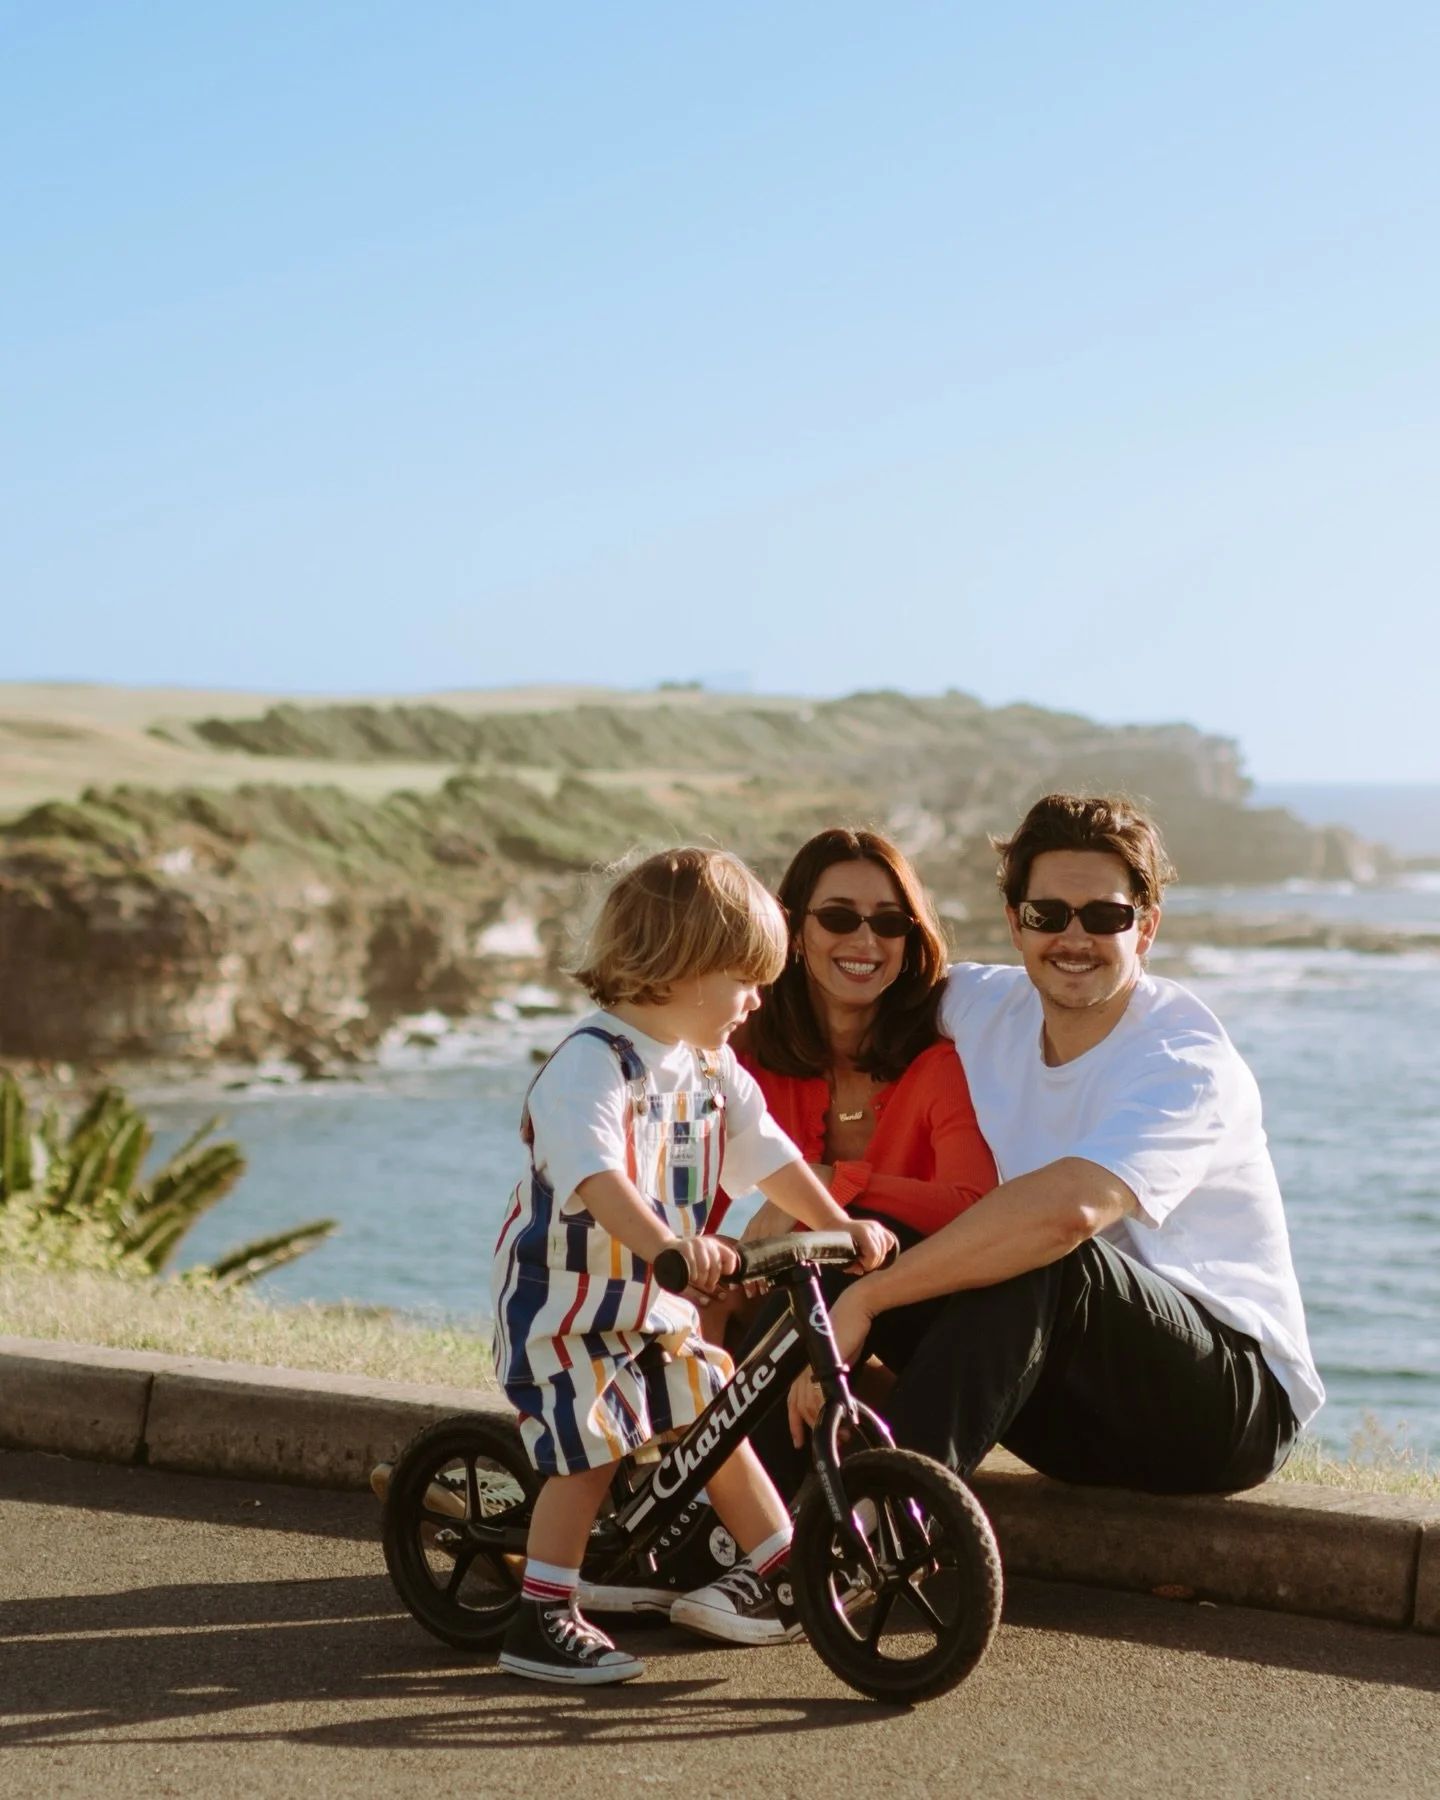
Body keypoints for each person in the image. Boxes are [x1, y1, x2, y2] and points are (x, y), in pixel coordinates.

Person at [785, 793, 1324, 1497]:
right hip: (1067, 1413)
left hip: (1222, 1411)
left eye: (1104, 916)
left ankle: (879, 1531)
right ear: (1015, 923)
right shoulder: (987, 1007)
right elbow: (863, 977)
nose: (1074, 939)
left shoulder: (1186, 1064)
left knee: (1050, 1256)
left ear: (1147, 928)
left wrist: (872, 1302)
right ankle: (741, 1542)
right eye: (1048, 916)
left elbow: (1066, 1215)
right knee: (849, 1244)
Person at [491, 847, 894, 1686]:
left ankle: (782, 1568)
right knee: (595, 1440)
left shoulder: (712, 1070)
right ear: (676, 968)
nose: (757, 1001)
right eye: (744, 979)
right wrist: (667, 1247)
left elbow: (774, 1156)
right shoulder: (592, 1064)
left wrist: (839, 1222)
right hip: (571, 1307)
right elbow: (594, 1172)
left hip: (656, 1304)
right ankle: (543, 1611)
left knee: (716, 1416)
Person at [715, 825, 997, 1247]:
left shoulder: (939, 1066)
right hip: (805, 1295)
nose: (865, 941)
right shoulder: (751, 1061)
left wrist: (828, 1181)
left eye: (889, 922)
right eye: (838, 918)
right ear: (792, 931)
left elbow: (973, 1206)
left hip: (920, 1296)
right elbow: (691, 1208)